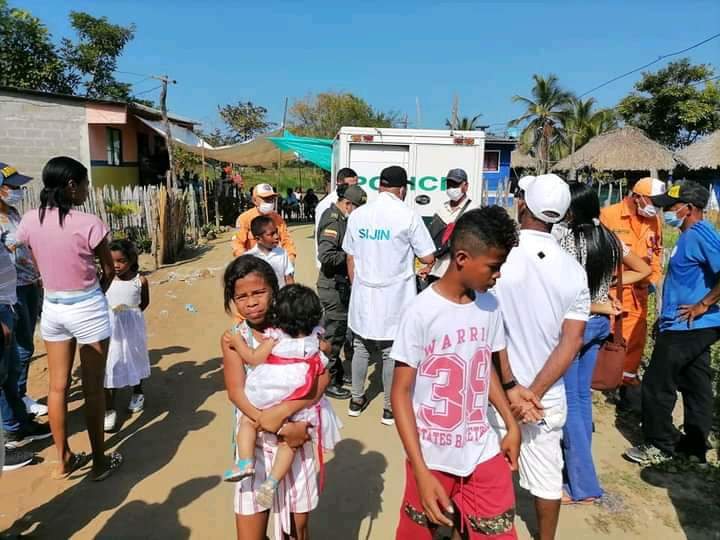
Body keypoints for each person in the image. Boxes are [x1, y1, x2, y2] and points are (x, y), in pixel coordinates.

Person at [391, 206, 521, 539]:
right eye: (494, 267)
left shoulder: (489, 307)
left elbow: (483, 369)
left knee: (499, 531)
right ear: (462, 258)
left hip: (482, 450)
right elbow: (401, 392)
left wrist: (510, 424)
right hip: (431, 456)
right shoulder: (421, 312)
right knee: (419, 532)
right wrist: (419, 470)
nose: (498, 275)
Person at [492, 174, 590, 540]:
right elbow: (572, 340)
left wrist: (514, 388)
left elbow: (488, 330)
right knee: (548, 476)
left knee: (490, 469)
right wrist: (535, 391)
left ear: (522, 205)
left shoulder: (499, 258)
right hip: (545, 396)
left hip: (499, 389)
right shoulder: (573, 270)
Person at [16, 156, 121, 481]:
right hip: (87, 306)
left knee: (57, 388)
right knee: (92, 388)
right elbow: (107, 269)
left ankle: (63, 460)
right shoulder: (88, 222)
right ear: (72, 185)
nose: (88, 190)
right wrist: (96, 292)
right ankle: (100, 464)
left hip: (54, 307)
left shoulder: (30, 220)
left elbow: (32, 260)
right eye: (85, 183)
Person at [555, 183, 651, 504]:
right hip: (599, 325)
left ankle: (581, 485)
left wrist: (596, 299)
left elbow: (565, 293)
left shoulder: (568, 240)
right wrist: (611, 285)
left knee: (570, 404)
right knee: (581, 401)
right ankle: (583, 478)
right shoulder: (610, 238)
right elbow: (644, 268)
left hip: (577, 324)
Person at [221, 255, 329, 540]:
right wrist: (271, 422)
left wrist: (287, 418)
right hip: (253, 444)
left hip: (296, 439)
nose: (251, 302)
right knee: (249, 532)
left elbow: (322, 378)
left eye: (258, 292)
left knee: (296, 529)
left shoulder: (299, 327)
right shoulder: (235, 337)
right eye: (241, 296)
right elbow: (235, 391)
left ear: (275, 289)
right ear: (232, 300)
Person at [625, 181, 720, 465]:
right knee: (695, 382)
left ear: (689, 208)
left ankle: (660, 445)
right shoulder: (687, 235)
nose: (664, 210)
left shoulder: (701, 233)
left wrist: (704, 304)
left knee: (657, 383)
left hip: (691, 325)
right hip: (680, 323)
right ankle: (695, 447)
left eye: (670, 206)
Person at [343, 165, 435, 425]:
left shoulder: (359, 215)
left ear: (379, 186)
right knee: (390, 352)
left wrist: (357, 286)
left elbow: (350, 255)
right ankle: (388, 407)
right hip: (395, 296)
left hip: (363, 291)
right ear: (403, 189)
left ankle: (356, 399)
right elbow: (427, 256)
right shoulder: (408, 216)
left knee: (361, 347)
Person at [600, 177, 665, 402]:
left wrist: (653, 279)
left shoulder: (654, 220)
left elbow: (656, 253)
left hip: (639, 293)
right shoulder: (610, 215)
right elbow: (599, 253)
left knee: (635, 343)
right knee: (608, 340)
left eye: (659, 203)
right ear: (637, 197)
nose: (656, 207)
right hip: (614, 291)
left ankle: (626, 387)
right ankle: (602, 383)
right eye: (652, 201)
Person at [0, 213, 45, 471]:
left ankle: (18, 426)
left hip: (8, 301)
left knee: (11, 368)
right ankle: (9, 434)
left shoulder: (13, 214)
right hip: (4, 304)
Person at [0, 163, 46, 417]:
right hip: (10, 291)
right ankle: (17, 400)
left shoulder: (15, 213)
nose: (18, 190)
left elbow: (28, 246)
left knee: (25, 343)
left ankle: (20, 395)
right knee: (20, 348)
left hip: (29, 284)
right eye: (12, 186)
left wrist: (38, 273)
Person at [316, 185, 368, 400]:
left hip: (339, 286)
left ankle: (336, 375)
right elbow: (326, 256)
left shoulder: (342, 219)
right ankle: (326, 381)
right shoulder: (333, 221)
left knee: (339, 332)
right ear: (348, 204)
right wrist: (351, 255)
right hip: (332, 287)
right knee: (333, 336)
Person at [103, 240, 151, 432]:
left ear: (132, 260)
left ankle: (137, 393)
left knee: (135, 358)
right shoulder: (105, 280)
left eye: (121, 261)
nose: (116, 265)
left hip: (132, 328)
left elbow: (144, 303)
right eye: (112, 261)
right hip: (111, 330)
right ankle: (108, 409)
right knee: (110, 364)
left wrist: (130, 315)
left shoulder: (140, 281)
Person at [426, 168, 476, 282]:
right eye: (449, 184)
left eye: (455, 184)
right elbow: (434, 241)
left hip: (458, 274)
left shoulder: (473, 210)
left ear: (465, 186)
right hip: (436, 272)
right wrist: (428, 267)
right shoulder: (442, 209)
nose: (451, 188)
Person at [232, 184, 297, 261]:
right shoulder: (244, 219)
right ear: (254, 200)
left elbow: (287, 241)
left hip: (274, 263)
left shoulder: (277, 219)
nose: (269, 202)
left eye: (271, 199)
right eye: (266, 199)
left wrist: (290, 259)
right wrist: (246, 262)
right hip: (252, 264)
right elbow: (237, 244)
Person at [315, 168, 359, 269]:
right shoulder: (326, 205)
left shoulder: (352, 201)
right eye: (351, 186)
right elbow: (324, 243)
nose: (355, 190)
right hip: (331, 267)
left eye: (356, 186)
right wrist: (350, 254)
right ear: (339, 183)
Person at [246, 216, 295, 287]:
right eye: (271, 234)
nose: (276, 236)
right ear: (258, 239)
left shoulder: (282, 253)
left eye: (276, 232)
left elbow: (289, 279)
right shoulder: (249, 258)